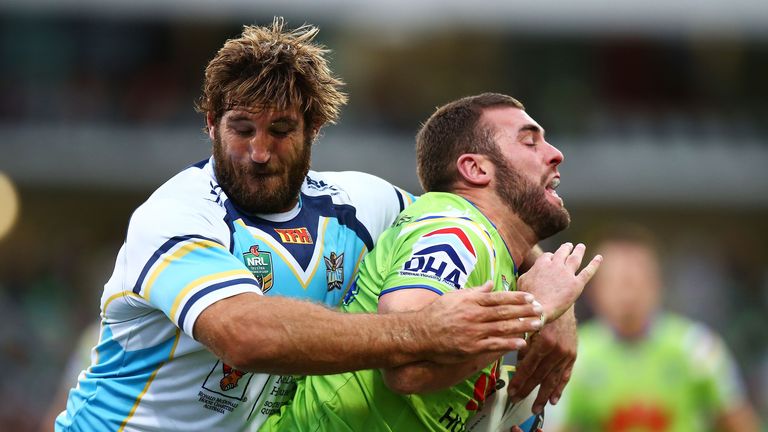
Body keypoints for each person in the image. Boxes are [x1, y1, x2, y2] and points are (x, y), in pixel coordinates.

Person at [54, 20, 576, 432]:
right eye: (241, 129)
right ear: (210, 125)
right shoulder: (178, 214)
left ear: (313, 131)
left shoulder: (356, 203)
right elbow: (243, 334)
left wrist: (554, 306)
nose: (258, 152)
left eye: (281, 130)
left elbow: (474, 217)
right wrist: (423, 330)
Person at [260, 92, 603, 431]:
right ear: (475, 168)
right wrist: (537, 309)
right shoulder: (455, 234)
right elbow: (407, 367)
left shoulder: (490, 248)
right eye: (530, 142)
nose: (556, 154)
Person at [553, 225, 761, 432]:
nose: (628, 294)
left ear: (658, 284)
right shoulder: (575, 354)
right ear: (595, 290)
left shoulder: (698, 348)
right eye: (616, 281)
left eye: (636, 280)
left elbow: (741, 423)